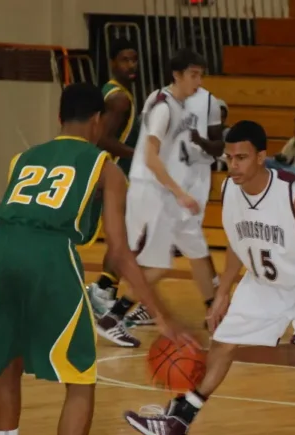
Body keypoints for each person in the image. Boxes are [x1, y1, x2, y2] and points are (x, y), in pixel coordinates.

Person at [0, 82, 192, 435]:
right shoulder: (105, 166)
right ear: (98, 121)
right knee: (80, 378)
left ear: (60, 119)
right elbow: (118, 251)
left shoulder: (23, 157)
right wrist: (162, 317)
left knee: (7, 364)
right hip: (48, 255)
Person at [123, 120, 295, 435]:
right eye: (229, 158)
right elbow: (238, 242)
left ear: (261, 157)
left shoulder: (293, 192)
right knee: (223, 342)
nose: (234, 165)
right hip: (265, 279)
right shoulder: (228, 189)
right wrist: (222, 293)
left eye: (241, 157)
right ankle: (180, 421)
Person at [94, 48, 216, 346]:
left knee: (195, 250)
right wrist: (180, 193)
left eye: (200, 75)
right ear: (177, 75)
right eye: (193, 75)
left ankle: (215, 313)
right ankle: (111, 314)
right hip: (152, 192)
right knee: (155, 261)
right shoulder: (163, 107)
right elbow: (150, 157)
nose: (198, 82)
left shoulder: (184, 105)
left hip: (167, 191)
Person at [114, 85, 225, 329]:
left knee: (182, 255)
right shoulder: (163, 107)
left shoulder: (201, 111)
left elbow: (217, 147)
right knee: (162, 260)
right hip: (165, 194)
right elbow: (153, 152)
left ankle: (212, 310)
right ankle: (116, 311)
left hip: (181, 193)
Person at [84, 39, 140, 334]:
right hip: (110, 171)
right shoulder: (120, 100)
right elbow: (102, 139)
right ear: (113, 62)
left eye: (134, 59)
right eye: (124, 60)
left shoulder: (110, 91)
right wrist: (139, 154)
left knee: (124, 237)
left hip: (104, 169)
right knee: (124, 238)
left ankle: (105, 287)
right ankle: (103, 290)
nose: (131, 65)